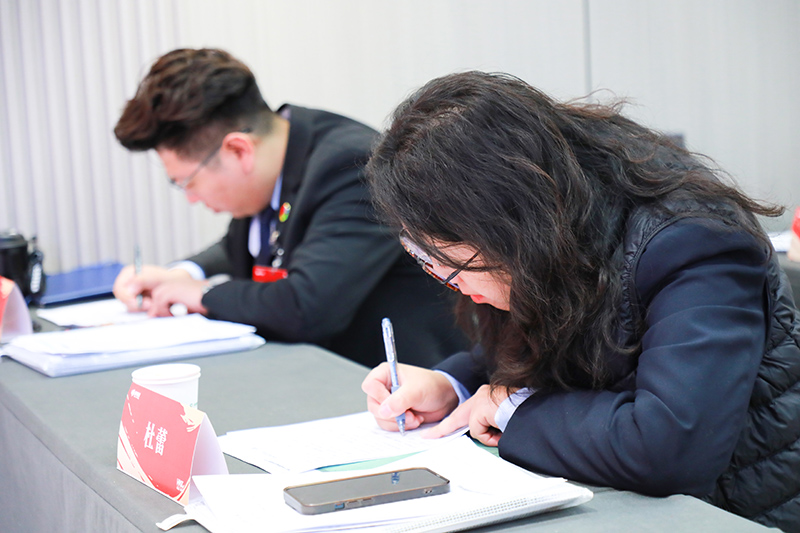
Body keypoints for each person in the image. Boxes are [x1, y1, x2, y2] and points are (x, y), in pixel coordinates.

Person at [361, 71, 800, 531]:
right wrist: (456, 385)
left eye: (455, 264)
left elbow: (670, 447)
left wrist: (511, 409)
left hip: (734, 513)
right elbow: (554, 342)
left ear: (510, 220)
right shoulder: (558, 217)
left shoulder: (695, 242)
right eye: (427, 260)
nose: (452, 283)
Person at [111, 48, 466, 368]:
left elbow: (305, 307)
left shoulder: (351, 166)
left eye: (187, 182)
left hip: (399, 383)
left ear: (238, 150)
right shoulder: (275, 161)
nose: (191, 198)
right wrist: (184, 273)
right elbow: (244, 243)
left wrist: (201, 295)